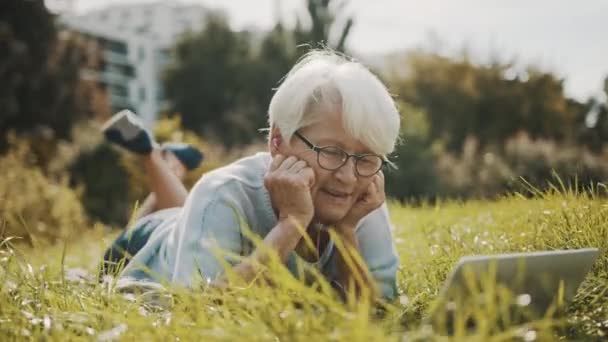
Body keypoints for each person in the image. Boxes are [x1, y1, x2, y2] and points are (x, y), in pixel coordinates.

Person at [101, 50, 401, 301]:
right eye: (331, 152)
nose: (348, 177)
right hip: (145, 244)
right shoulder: (221, 193)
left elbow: (379, 309)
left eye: (366, 157)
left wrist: (346, 232)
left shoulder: (361, 197)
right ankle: (152, 156)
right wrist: (291, 225)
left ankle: (168, 162)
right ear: (278, 141)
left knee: (183, 210)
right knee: (178, 214)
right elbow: (200, 309)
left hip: (190, 219)